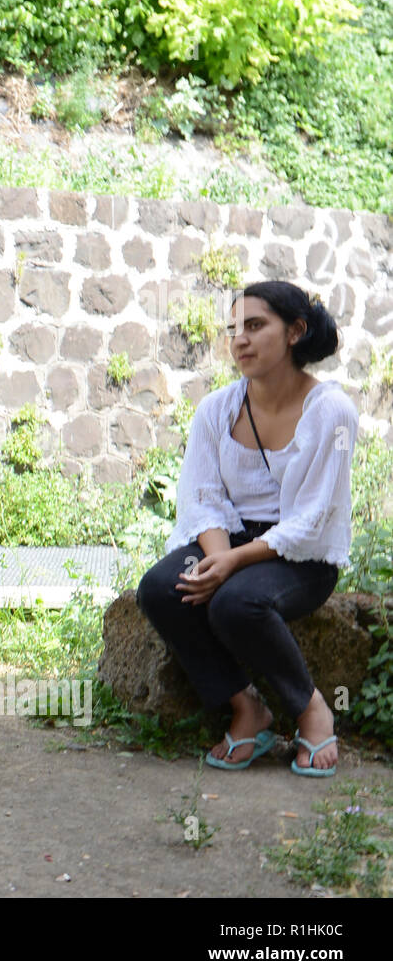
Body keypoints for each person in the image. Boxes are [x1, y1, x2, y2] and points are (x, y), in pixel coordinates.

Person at [136, 280, 359, 777]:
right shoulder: (217, 409)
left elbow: (314, 518)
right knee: (161, 588)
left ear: (296, 331)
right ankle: (247, 708)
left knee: (237, 602)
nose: (240, 340)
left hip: (300, 556)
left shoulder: (333, 414)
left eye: (255, 326)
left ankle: (311, 708)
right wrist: (217, 558)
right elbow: (202, 497)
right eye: (233, 329)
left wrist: (234, 564)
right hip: (232, 538)